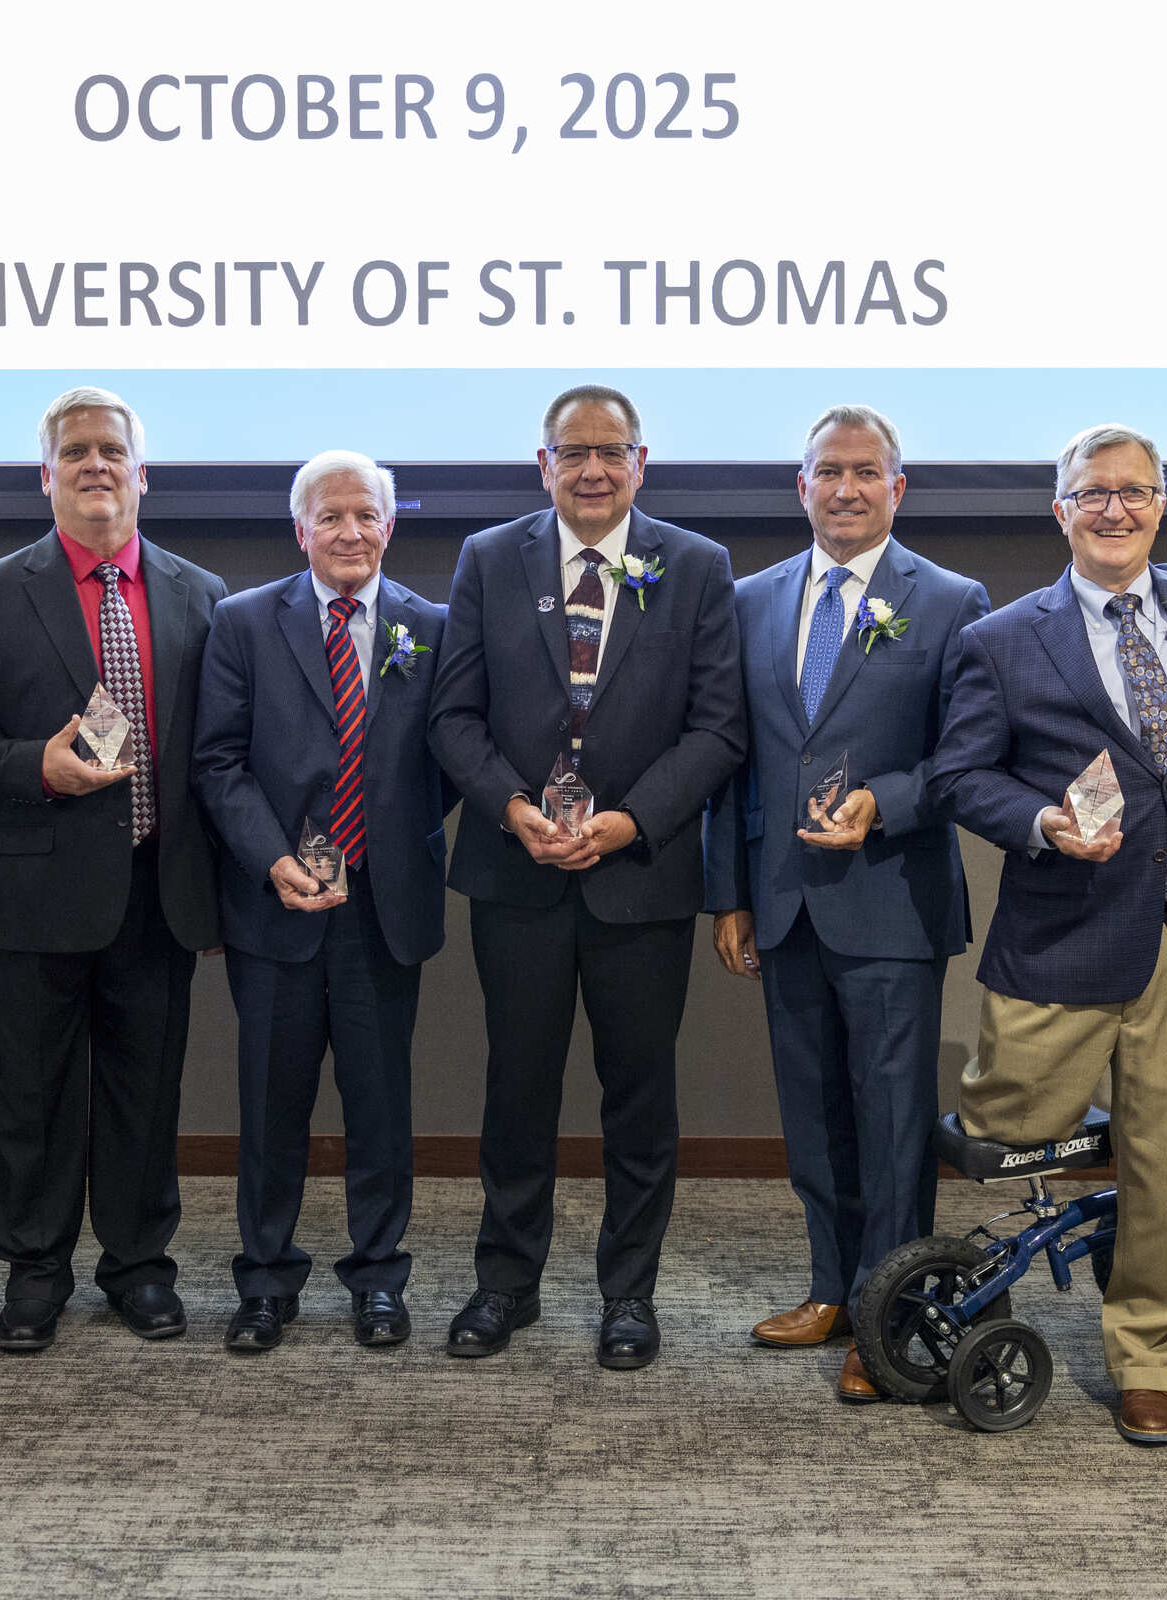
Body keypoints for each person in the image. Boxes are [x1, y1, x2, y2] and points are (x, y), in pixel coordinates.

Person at [927, 423, 1167, 1445]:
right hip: (1063, 926)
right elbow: (960, 775)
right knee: (1001, 1124)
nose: (1115, 509)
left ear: (1160, 504)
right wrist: (1039, 823)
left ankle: (1151, 1355)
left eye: (1135, 492)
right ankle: (1080, 1189)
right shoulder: (1003, 637)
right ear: (1058, 509)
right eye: (1092, 493)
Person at [427, 384, 744, 1370]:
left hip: (638, 878)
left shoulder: (695, 566)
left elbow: (719, 726)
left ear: (641, 463)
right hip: (515, 870)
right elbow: (452, 716)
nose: (593, 470)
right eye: (574, 453)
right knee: (517, 1088)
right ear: (544, 464)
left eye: (612, 453)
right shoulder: (490, 558)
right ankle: (506, 1283)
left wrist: (628, 822)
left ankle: (628, 1293)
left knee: (638, 1096)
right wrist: (514, 809)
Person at [0, 387, 225, 1352]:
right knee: (34, 1094)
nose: (96, 465)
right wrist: (35, 768)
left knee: (147, 1093)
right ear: (45, 474)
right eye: (75, 452)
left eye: (112, 451)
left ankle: (138, 1267)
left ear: (144, 473)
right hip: (35, 887)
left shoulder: (198, 593)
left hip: (157, 891)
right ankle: (36, 1269)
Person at [702, 405, 988, 1402]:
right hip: (781, 910)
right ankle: (831, 1285)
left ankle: (892, 1311)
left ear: (897, 488)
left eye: (867, 471)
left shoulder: (952, 600)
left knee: (892, 1118)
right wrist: (726, 897)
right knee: (814, 1117)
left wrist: (886, 803)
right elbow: (732, 765)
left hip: (891, 902)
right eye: (828, 471)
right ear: (802, 486)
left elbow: (966, 761)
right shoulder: (748, 601)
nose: (847, 488)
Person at [191, 451, 454, 1353]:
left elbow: (445, 764)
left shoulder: (432, 626)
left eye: (366, 516)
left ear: (391, 526)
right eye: (330, 518)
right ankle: (265, 1281)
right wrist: (272, 860)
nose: (350, 533)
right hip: (276, 908)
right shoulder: (243, 622)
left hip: (387, 909)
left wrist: (384, 839)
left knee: (381, 1108)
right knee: (271, 1107)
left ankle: (379, 1280)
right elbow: (216, 762)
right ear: (299, 529)